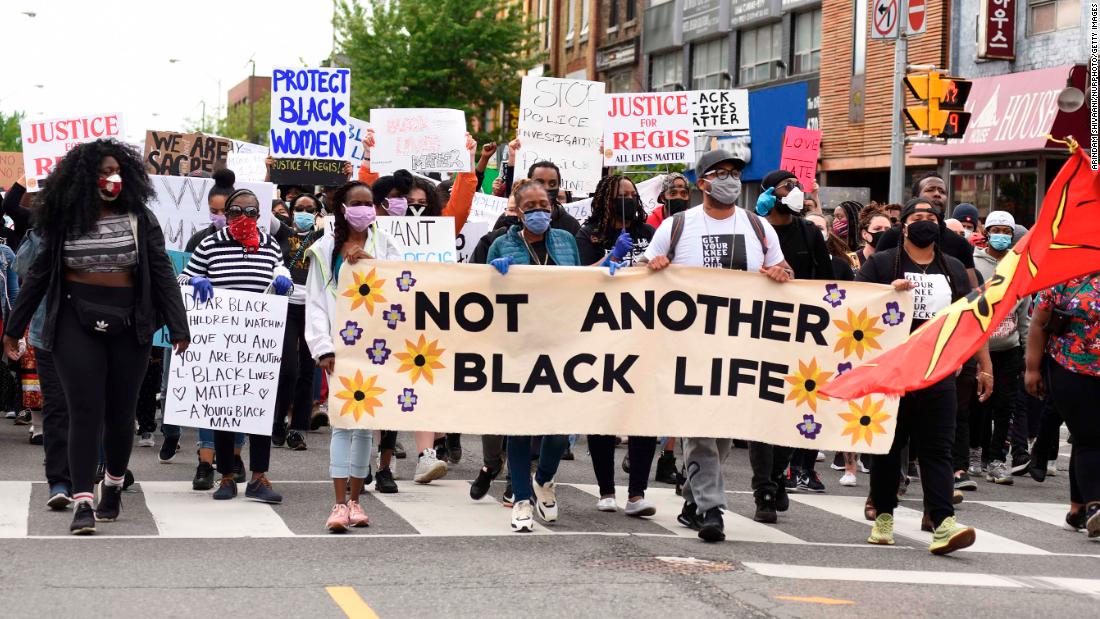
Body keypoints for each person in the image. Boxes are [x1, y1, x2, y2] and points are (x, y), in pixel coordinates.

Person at [2, 139, 189, 535]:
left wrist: (178, 324)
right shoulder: (62, 219)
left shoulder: (141, 218)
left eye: (116, 170)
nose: (111, 178)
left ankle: (114, 485)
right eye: (102, 172)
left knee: (120, 416)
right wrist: (13, 328)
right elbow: (36, 277)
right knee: (84, 411)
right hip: (74, 322)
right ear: (83, 177)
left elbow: (161, 274)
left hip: (130, 325)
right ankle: (82, 502)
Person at [644, 149, 792, 543]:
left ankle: (693, 500)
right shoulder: (677, 226)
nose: (728, 179)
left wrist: (780, 273)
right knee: (699, 430)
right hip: (689, 349)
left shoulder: (759, 227)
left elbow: (784, 272)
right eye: (719, 173)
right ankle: (712, 510)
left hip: (740, 347)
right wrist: (653, 268)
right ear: (702, 182)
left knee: (724, 430)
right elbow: (640, 279)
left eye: (734, 173)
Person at [858, 198, 985, 555]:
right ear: (904, 226)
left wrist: (980, 364)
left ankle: (943, 522)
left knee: (937, 448)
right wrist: (886, 295)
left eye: (932, 217)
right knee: (889, 446)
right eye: (917, 216)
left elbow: (971, 319)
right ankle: (883, 516)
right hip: (893, 370)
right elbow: (855, 307)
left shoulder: (956, 268)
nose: (925, 221)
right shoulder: (881, 264)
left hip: (937, 371)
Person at [180, 188, 293, 504]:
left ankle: (259, 477)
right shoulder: (209, 244)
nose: (244, 217)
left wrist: (283, 277)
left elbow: (281, 271)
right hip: (221, 339)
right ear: (226, 214)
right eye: (236, 211)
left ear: (260, 215)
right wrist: (195, 281)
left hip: (258, 340)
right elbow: (183, 278)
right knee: (225, 409)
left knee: (258, 409)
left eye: (252, 211)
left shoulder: (269, 244)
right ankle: (226, 476)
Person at [305, 180, 402, 532]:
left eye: (369, 203)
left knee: (364, 427)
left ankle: (356, 502)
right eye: (357, 202)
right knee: (342, 423)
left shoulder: (385, 243)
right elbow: (316, 303)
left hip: (376, 348)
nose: (365, 209)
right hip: (340, 349)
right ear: (342, 208)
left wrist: (371, 264)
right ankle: (337, 503)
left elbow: (401, 285)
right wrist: (323, 349)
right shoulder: (323, 250)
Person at [487, 179, 581, 532]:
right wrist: (495, 275)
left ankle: (544, 479)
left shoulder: (567, 241)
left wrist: (612, 266)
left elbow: (583, 284)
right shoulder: (502, 242)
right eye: (531, 207)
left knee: (558, 428)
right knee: (520, 427)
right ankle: (523, 499)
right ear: (518, 210)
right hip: (518, 345)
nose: (539, 211)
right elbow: (482, 294)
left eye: (544, 204)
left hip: (560, 344)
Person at [575, 174, 658, 516]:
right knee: (604, 412)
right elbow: (578, 276)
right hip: (602, 330)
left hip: (642, 330)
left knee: (643, 414)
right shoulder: (589, 233)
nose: (627, 198)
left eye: (631, 194)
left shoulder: (648, 234)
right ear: (605, 198)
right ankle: (606, 489)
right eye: (620, 194)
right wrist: (610, 259)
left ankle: (637, 493)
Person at [752, 170, 833, 511]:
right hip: (759, 333)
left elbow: (827, 281)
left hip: (800, 334)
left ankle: (777, 472)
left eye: (798, 186)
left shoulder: (809, 232)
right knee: (762, 414)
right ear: (770, 194)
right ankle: (765, 489)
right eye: (788, 186)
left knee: (791, 412)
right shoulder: (754, 230)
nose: (796, 191)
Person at [1025, 272, 1100, 540]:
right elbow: (1038, 323)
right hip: (1069, 368)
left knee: (1086, 438)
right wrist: (1032, 369)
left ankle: (1077, 510)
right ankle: (1094, 505)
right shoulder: (1066, 276)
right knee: (1088, 436)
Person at [972, 211, 1031, 484]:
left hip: (1009, 348)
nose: (1002, 236)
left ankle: (997, 459)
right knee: (978, 404)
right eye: (996, 230)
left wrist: (1028, 353)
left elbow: (1025, 314)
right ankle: (975, 454)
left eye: (1007, 232)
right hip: (978, 347)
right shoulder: (973, 262)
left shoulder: (1019, 266)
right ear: (986, 232)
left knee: (1004, 405)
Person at [270, 192, 326, 452]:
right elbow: (262, 207)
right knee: (288, 369)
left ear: (317, 214)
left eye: (310, 209)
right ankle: (278, 419)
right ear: (291, 212)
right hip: (286, 306)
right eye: (299, 208)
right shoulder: (280, 232)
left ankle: (298, 428)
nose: (304, 212)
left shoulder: (323, 237)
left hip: (312, 308)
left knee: (307, 369)